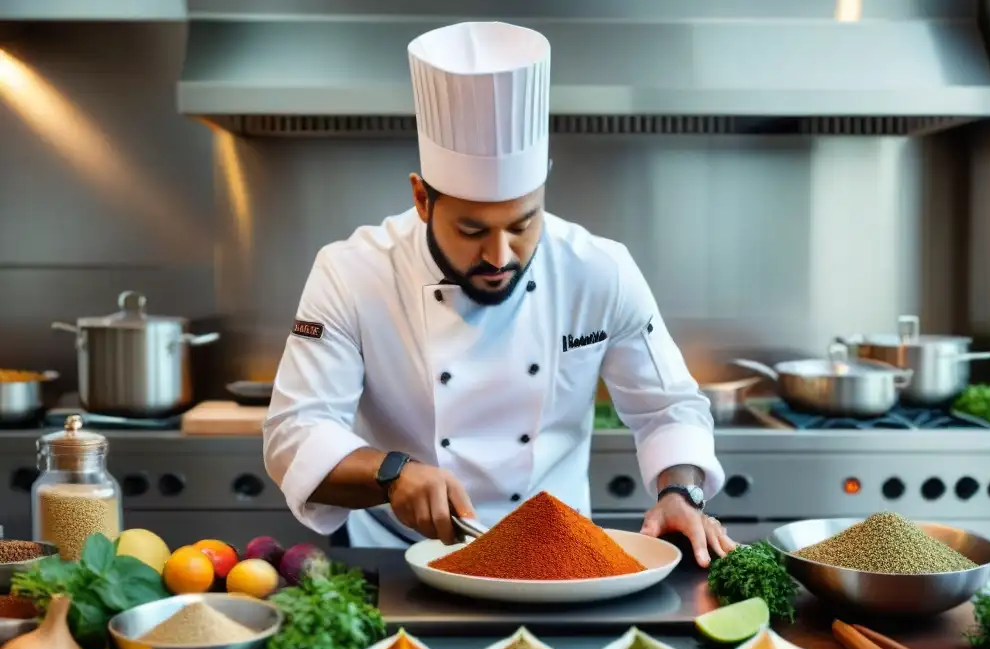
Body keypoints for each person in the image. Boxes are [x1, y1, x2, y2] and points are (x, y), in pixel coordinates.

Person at [263, 20, 737, 566]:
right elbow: (294, 433)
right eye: (471, 231)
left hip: (558, 558)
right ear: (422, 199)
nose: (500, 256)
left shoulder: (599, 270)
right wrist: (390, 474)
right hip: (396, 559)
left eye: (522, 224)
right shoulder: (352, 272)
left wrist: (682, 493)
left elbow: (668, 407)